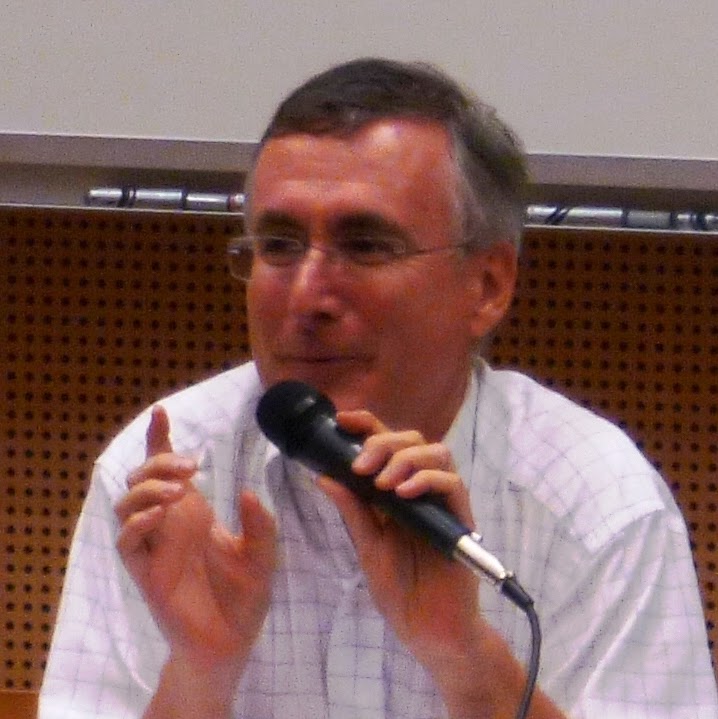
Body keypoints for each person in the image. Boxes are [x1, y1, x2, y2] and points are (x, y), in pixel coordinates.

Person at [39, 58, 717, 719]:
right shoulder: (164, 478)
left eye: (365, 246)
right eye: (278, 245)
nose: (306, 296)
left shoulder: (596, 503)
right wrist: (199, 672)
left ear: (487, 285)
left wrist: (465, 656)